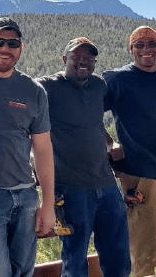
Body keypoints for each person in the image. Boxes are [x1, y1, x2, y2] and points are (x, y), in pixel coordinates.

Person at [0, 17, 55, 277]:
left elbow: (42, 150)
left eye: (12, 43)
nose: (4, 48)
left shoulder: (34, 90)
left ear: (21, 48)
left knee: (23, 272)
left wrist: (48, 203)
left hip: (26, 195)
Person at [37, 37, 130, 277]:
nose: (83, 61)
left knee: (118, 252)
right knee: (75, 256)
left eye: (88, 57)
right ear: (64, 59)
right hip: (71, 189)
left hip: (107, 184)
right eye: (77, 56)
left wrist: (110, 143)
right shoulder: (48, 86)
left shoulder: (98, 85)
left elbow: (95, 121)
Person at [103, 26, 156, 276]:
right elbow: (90, 116)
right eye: (139, 44)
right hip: (141, 179)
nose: (146, 50)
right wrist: (109, 144)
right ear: (131, 49)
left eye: (152, 43)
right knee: (144, 255)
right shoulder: (117, 79)